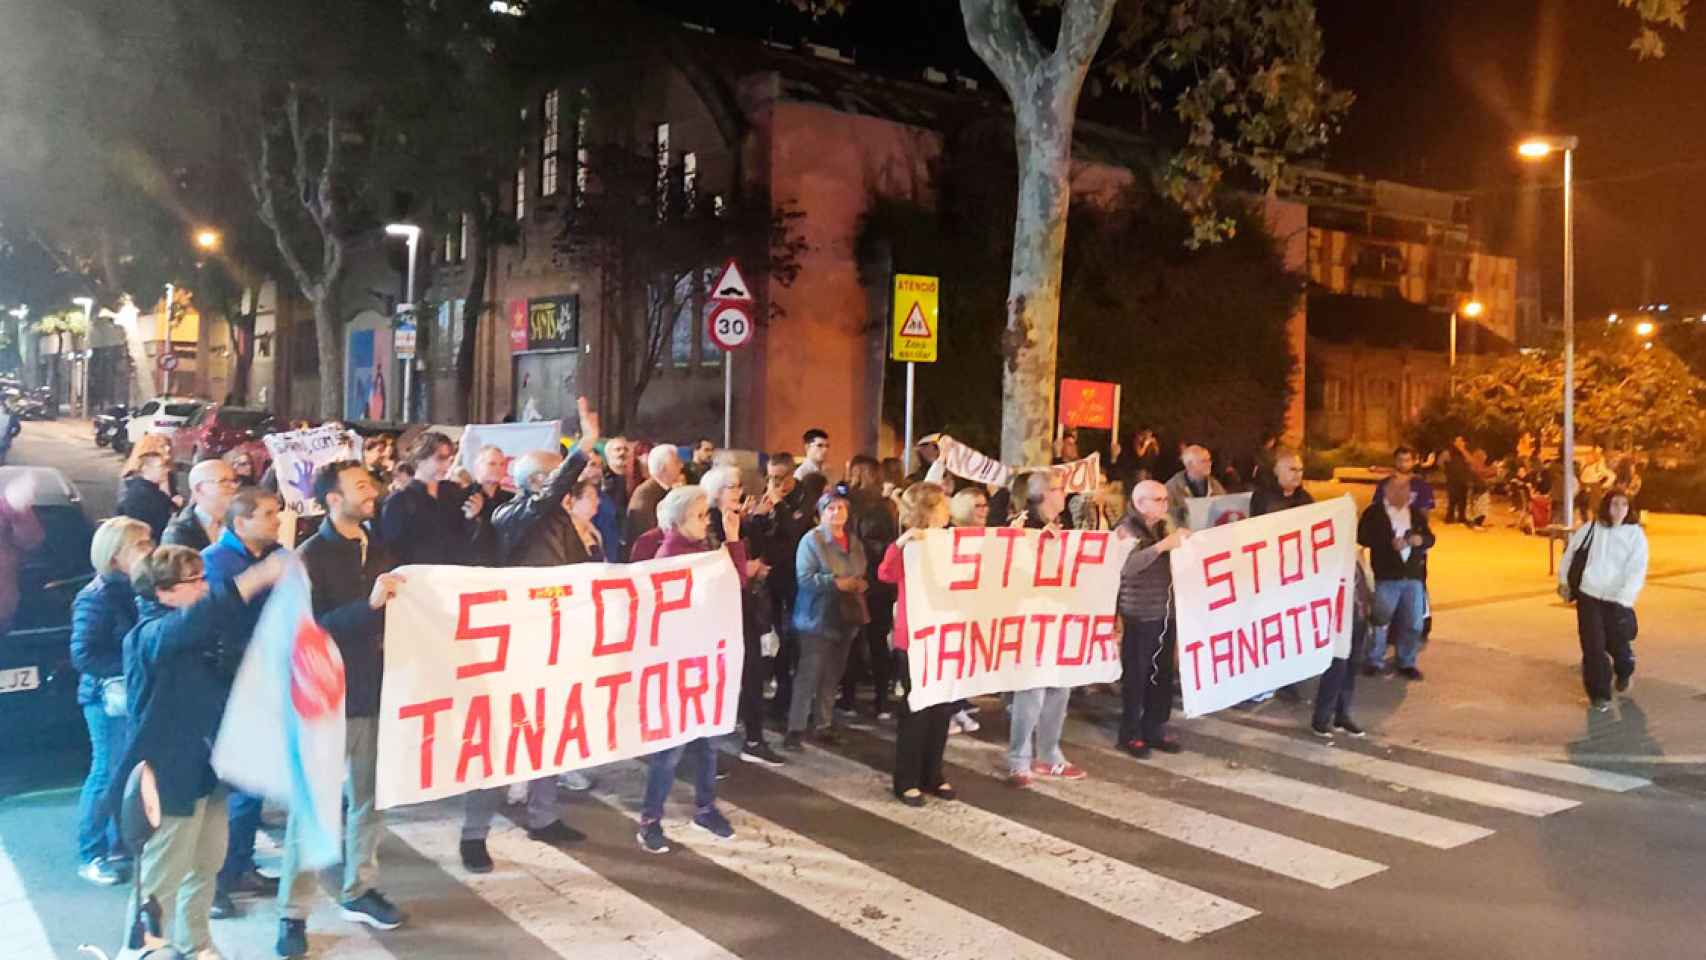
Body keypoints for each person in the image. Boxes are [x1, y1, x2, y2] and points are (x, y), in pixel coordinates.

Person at [115, 544, 290, 960]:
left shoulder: (199, 633)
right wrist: (256, 577)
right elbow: (198, 619)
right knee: (161, 876)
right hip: (168, 774)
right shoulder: (150, 635)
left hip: (207, 770)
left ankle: (196, 945)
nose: (204, 586)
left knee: (206, 864)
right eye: (194, 581)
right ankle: (144, 950)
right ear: (164, 592)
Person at [276, 462, 406, 958]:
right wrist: (368, 608)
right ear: (332, 499)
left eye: (370, 484)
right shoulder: (309, 557)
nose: (370, 492)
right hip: (328, 702)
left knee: (371, 801)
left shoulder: (380, 548)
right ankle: (293, 914)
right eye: (359, 486)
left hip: (376, 695)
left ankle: (360, 888)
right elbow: (307, 632)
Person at [458, 443, 597, 875]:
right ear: (539, 483)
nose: (569, 484)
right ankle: (474, 834)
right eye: (559, 475)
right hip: (518, 645)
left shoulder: (561, 522)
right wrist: (583, 451)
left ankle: (544, 816)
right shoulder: (511, 516)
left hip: (556, 640)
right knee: (502, 739)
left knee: (551, 732)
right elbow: (547, 501)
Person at [634, 486, 743, 853]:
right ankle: (650, 820)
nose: (707, 519)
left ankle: (705, 808)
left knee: (708, 743)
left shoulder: (702, 551)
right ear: (680, 520)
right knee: (671, 750)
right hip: (678, 666)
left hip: (705, 660)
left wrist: (732, 540)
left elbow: (735, 583)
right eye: (700, 515)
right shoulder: (671, 557)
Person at [200, 489, 287, 919]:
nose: (277, 520)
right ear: (241, 523)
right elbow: (216, 621)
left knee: (252, 786)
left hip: (264, 681)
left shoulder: (275, 555)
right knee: (226, 791)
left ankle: (239, 867)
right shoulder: (215, 564)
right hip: (227, 686)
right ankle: (214, 881)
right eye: (268, 514)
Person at [71, 516, 150, 887]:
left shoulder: (137, 589)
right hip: (106, 700)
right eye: (140, 545)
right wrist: (132, 665)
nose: (149, 550)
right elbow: (83, 655)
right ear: (116, 555)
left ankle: (121, 844)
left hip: (130, 697)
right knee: (105, 772)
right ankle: (91, 853)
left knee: (126, 772)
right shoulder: (97, 596)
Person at [700, 465, 786, 766]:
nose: (739, 492)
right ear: (717, 491)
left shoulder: (739, 520)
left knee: (752, 671)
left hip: (745, 607)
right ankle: (715, 748)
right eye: (733, 486)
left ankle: (753, 737)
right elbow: (714, 564)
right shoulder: (708, 521)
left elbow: (761, 549)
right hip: (719, 611)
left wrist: (758, 520)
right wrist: (742, 566)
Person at [1007, 471, 1086, 786]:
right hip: (1030, 617)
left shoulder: (1065, 524)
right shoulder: (1022, 526)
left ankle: (1049, 753)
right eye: (1057, 488)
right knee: (1031, 691)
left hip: (1060, 616)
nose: (1063, 493)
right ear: (1039, 495)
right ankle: (1018, 758)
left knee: (1059, 689)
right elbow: (1011, 567)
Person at [882, 482, 957, 806]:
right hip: (914, 640)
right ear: (928, 510)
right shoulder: (911, 545)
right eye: (942, 505)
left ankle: (933, 773)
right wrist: (902, 543)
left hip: (946, 637)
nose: (948, 510)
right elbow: (885, 573)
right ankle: (906, 779)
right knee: (916, 711)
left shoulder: (952, 541)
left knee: (941, 709)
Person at [785, 488, 867, 750]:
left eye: (841, 508)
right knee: (809, 674)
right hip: (816, 617)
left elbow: (862, 567)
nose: (837, 513)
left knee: (833, 674)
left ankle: (824, 723)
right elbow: (804, 578)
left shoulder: (853, 541)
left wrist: (857, 584)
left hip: (845, 616)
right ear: (820, 513)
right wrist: (836, 582)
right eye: (831, 508)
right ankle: (795, 729)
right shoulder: (812, 541)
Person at [1114, 480, 1190, 758]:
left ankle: (1155, 727)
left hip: (1164, 612)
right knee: (1136, 676)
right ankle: (1130, 732)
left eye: (1165, 500)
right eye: (1157, 500)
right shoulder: (1125, 529)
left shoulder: (1162, 526)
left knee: (1162, 675)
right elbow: (1126, 566)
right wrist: (1161, 547)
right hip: (1139, 614)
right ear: (1139, 502)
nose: (1164, 505)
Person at [1558, 489, 1648, 711]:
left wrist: (1625, 598)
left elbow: (1637, 569)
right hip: (1589, 595)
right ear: (1606, 506)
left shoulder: (1635, 535)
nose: (1619, 510)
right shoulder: (1591, 529)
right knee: (1592, 646)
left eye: (1624, 505)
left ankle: (1625, 669)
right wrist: (1564, 581)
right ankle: (1599, 694)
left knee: (1617, 645)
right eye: (1614, 504)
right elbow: (1571, 554)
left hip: (1617, 600)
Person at [750, 453, 813, 724]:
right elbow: (759, 535)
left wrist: (781, 506)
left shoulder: (805, 497)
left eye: (780, 477)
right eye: (771, 477)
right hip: (771, 579)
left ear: (792, 475)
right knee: (773, 638)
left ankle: (791, 699)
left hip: (796, 579)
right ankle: (778, 695)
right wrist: (757, 517)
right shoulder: (766, 494)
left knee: (792, 640)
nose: (774, 483)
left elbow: (796, 531)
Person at [1358, 473, 1434, 680]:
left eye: (1406, 489)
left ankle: (1406, 661)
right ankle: (1374, 659)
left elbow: (1430, 537)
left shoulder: (1415, 514)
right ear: (1387, 491)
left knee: (1413, 623)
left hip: (1413, 577)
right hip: (1387, 575)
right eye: (1398, 489)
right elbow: (1362, 536)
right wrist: (1387, 543)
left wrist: (1420, 540)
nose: (1404, 493)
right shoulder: (1374, 513)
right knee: (1381, 620)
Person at [844, 455, 899, 719]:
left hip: (860, 580)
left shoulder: (852, 504)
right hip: (882, 583)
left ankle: (848, 697)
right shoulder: (886, 506)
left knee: (854, 640)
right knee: (877, 641)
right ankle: (881, 699)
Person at [379, 431, 484, 567]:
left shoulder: (454, 493)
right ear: (419, 459)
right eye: (440, 458)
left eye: (449, 459)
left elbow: (465, 541)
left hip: (451, 575)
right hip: (416, 578)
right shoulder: (399, 500)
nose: (447, 465)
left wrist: (471, 518)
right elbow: (392, 550)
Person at [1311, 549, 1374, 739]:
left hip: (1358, 618)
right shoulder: (1327, 552)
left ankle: (1342, 715)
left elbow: (1366, 583)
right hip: (1337, 622)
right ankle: (1321, 719)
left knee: (1351, 669)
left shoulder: (1357, 553)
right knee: (1337, 669)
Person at [163, 458, 239, 551]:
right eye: (224, 481)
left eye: (234, 481)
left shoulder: (240, 522)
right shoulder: (178, 534)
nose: (234, 486)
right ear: (199, 488)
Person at [467, 444, 515, 566]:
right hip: (470, 569)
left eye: (502, 464)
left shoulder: (512, 500)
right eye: (492, 464)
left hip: (505, 568)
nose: (499, 468)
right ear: (477, 467)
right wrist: (473, 519)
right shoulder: (461, 497)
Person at [626, 443, 682, 544]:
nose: (681, 465)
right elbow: (648, 536)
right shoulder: (645, 496)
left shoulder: (665, 490)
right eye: (676, 462)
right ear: (664, 468)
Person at [118, 452, 179, 542]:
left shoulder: (148, 490)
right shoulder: (144, 495)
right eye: (161, 466)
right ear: (145, 469)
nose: (166, 470)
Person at [1164, 444, 1227, 529]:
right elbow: (1167, 518)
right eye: (1204, 461)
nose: (1209, 464)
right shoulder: (1172, 488)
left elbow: (1225, 508)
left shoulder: (1214, 484)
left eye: (1209, 460)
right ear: (1190, 465)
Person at [597, 437, 632, 560]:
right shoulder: (604, 482)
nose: (622, 453)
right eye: (617, 449)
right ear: (608, 455)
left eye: (625, 449)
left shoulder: (634, 477)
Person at [1372, 446, 1437, 512]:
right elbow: (1376, 509)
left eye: (1407, 460)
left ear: (1414, 462)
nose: (1403, 464)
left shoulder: (1423, 486)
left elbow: (1424, 515)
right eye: (1399, 460)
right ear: (1394, 460)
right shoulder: (1384, 484)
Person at [1250, 449, 1312, 517]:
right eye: (1292, 469)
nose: (1298, 474)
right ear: (1276, 471)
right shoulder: (1262, 498)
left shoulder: (1305, 497)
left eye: (1301, 470)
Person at [1442, 436, 1472, 524]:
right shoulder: (1448, 452)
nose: (1459, 443)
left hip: (1463, 479)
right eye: (1457, 441)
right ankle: (1449, 517)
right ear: (1454, 443)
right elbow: (1442, 464)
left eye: (1461, 441)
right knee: (1452, 498)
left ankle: (1461, 517)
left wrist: (1463, 450)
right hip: (1452, 479)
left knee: (1463, 499)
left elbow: (1470, 461)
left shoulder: (1465, 452)